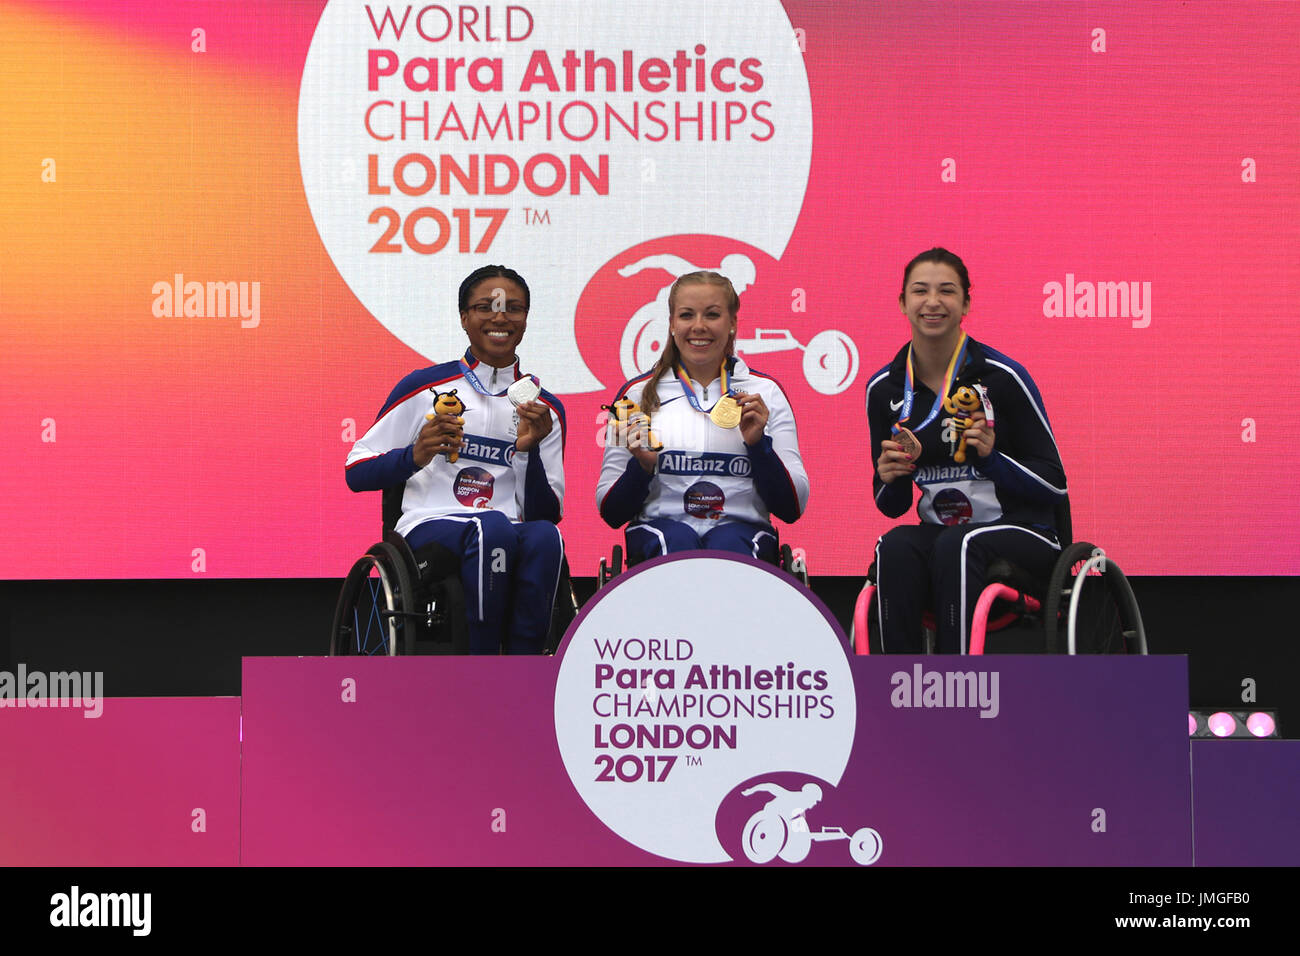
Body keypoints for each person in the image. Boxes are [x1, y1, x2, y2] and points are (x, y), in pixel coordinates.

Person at [345, 265, 565, 654]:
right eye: (486, 307)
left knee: (546, 537)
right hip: (430, 526)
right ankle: (481, 667)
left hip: (505, 533)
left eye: (513, 308)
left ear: (526, 319)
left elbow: (545, 513)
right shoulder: (424, 387)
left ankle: (526, 669)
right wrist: (414, 455)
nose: (500, 317)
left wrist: (528, 452)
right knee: (490, 527)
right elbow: (356, 471)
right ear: (464, 317)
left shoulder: (543, 408)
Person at [867, 248, 1067, 653]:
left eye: (947, 291)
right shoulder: (884, 389)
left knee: (958, 545)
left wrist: (992, 458)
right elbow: (891, 504)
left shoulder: (1003, 377)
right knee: (895, 546)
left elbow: (1055, 483)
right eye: (920, 291)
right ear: (903, 303)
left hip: (1025, 532)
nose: (933, 302)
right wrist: (890, 478)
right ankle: (894, 687)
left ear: (966, 304)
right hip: (942, 534)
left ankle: (951, 686)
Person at [597, 270, 809, 565]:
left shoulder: (765, 393)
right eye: (686, 315)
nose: (699, 327)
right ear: (671, 323)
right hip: (660, 535)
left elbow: (792, 507)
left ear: (733, 322)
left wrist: (759, 447)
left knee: (729, 545)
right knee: (675, 543)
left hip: (743, 536)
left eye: (712, 315)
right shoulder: (633, 397)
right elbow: (611, 512)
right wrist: (642, 468)